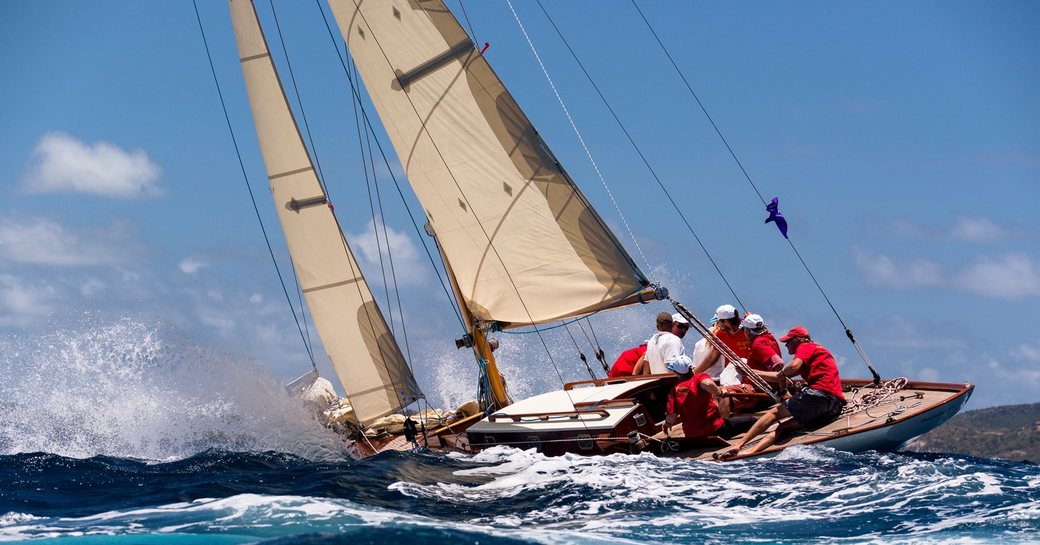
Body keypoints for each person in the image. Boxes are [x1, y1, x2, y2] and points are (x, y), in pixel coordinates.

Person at [722, 326, 847, 458]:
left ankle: (739, 444)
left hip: (819, 395)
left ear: (798, 340)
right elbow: (780, 376)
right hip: (834, 405)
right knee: (783, 427)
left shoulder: (806, 346)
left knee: (774, 413)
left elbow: (793, 367)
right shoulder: (818, 350)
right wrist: (754, 373)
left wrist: (780, 374)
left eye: (788, 342)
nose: (786, 346)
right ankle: (750, 452)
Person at [661, 355, 756, 440]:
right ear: (691, 367)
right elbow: (708, 383)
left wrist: (667, 424)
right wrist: (719, 392)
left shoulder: (674, 390)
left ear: (676, 372)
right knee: (750, 420)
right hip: (716, 430)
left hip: (692, 436)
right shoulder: (699, 378)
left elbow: (672, 416)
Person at [722, 314, 784, 414]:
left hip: (760, 392)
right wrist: (750, 317)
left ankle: (722, 424)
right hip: (762, 388)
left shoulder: (760, 344)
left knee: (722, 392)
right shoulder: (768, 337)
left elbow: (779, 372)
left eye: (743, 330)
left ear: (747, 331)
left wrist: (749, 372)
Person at [692, 304, 751, 376]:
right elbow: (712, 357)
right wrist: (693, 374)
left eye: (718, 320)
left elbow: (764, 335)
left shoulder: (748, 329)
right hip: (732, 375)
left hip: (751, 374)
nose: (717, 323)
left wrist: (753, 320)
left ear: (726, 321)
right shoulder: (721, 334)